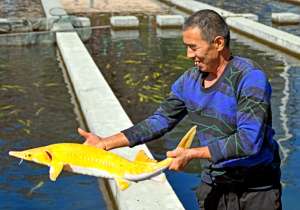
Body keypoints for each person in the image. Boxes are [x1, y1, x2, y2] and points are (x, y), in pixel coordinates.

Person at [78, 9, 282, 210]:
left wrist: (192, 154)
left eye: (193, 47)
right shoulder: (189, 81)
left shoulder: (249, 77)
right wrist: (105, 143)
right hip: (214, 186)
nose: (188, 54)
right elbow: (160, 120)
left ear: (218, 43)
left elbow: (249, 141)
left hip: (257, 190)